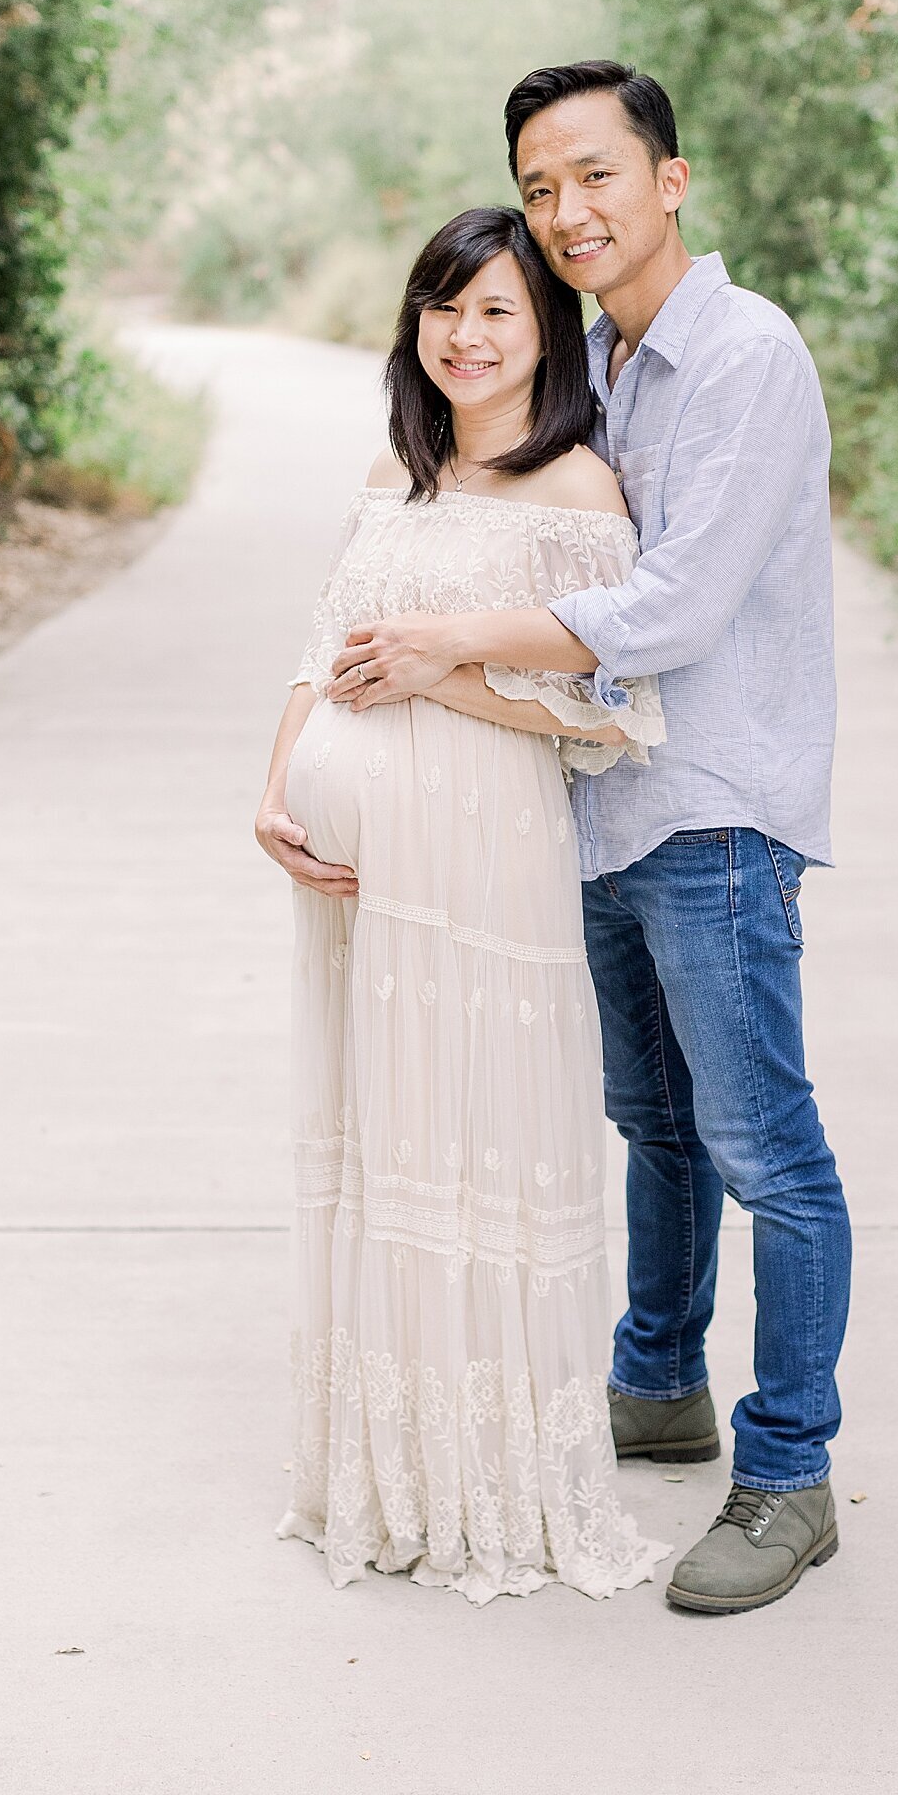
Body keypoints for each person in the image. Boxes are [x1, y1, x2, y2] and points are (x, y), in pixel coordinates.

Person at [327, 61, 851, 1616]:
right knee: (655, 1122)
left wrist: (444, 640)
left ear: (671, 180)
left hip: (717, 808)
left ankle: (790, 1471)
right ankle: (657, 1381)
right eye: (540, 185)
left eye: (596, 177)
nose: (567, 211)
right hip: (603, 812)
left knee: (765, 1143)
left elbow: (673, 609)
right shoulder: (600, 362)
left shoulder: (745, 358)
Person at [254, 204, 669, 1604]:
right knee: (381, 1134)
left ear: (543, 329)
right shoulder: (398, 469)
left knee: (473, 1134)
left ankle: (485, 1474)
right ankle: (390, 1463)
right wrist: (274, 788)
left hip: (485, 868)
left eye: (497, 309)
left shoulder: (579, 496)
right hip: (360, 882)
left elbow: (612, 714)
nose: (467, 334)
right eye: (444, 306)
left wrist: (446, 681)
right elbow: (324, 646)